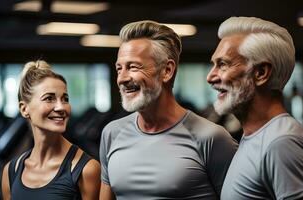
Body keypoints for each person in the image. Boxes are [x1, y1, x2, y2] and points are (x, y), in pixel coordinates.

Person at [99, 20, 238, 200]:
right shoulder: (112, 133)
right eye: (119, 69)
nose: (122, 78)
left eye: (133, 67)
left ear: (167, 70)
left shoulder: (212, 138)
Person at [207, 16, 303, 199]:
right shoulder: (257, 136)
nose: (210, 77)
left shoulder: (282, 142)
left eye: (223, 64)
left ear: (260, 73)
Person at [1, 60, 101, 200]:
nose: (61, 107)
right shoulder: (11, 171)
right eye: (49, 98)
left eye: (65, 99)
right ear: (24, 109)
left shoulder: (86, 169)